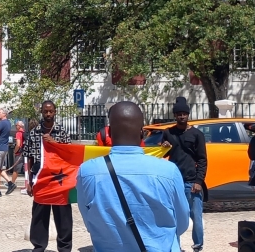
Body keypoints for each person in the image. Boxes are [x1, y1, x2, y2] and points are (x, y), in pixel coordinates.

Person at [78, 101, 189, 252]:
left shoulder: (87, 171)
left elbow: (89, 223)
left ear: (109, 133)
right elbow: (182, 223)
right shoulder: (169, 171)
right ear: (142, 133)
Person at [24, 101, 73, 252]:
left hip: (60, 181)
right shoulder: (34, 133)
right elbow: (28, 157)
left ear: (55, 112)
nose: (48, 114)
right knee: (39, 217)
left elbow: (70, 154)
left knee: (63, 217)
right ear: (42, 112)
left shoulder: (62, 132)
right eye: (45, 111)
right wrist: (28, 181)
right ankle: (39, 247)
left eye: (51, 111)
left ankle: (64, 248)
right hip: (41, 181)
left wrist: (55, 142)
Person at [161, 97, 207, 252]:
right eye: (178, 113)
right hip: (174, 183)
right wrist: (163, 147)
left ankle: (198, 246)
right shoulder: (168, 133)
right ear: (175, 115)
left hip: (192, 182)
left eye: (184, 113)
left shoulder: (197, 134)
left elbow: (202, 159)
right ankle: (176, 247)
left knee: (196, 217)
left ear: (188, 115)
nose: (181, 116)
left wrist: (199, 181)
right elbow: (160, 156)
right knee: (175, 216)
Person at [11, 120, 26, 193]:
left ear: (19, 126)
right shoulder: (24, 133)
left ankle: (11, 183)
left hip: (19, 154)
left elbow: (18, 144)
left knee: (16, 170)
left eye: (16, 125)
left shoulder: (18, 133)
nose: (16, 126)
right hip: (24, 153)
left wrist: (15, 151)